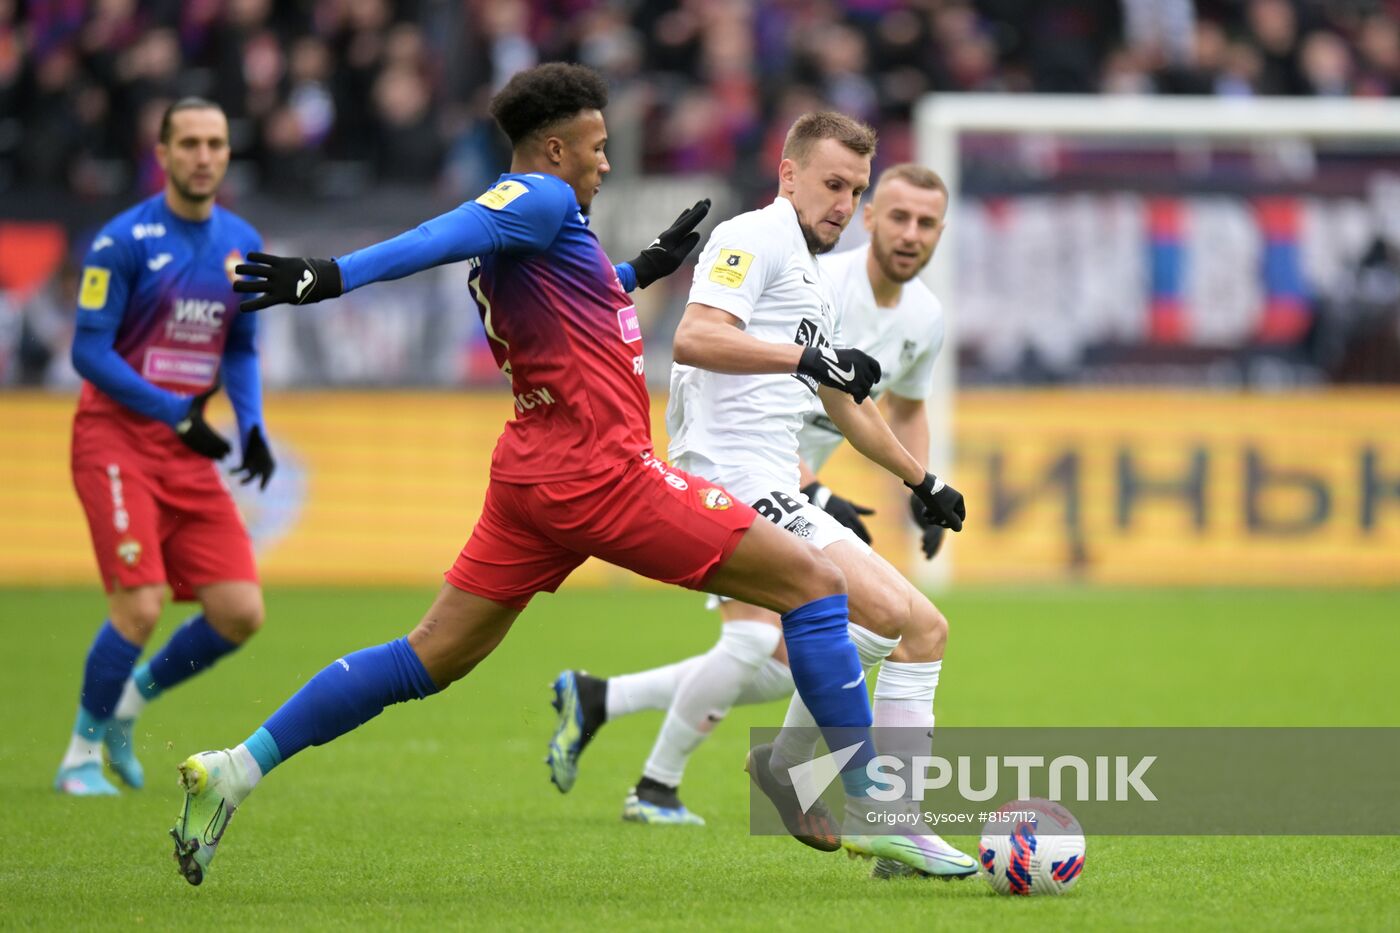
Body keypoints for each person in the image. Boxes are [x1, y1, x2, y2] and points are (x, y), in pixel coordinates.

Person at [169, 63, 945, 887]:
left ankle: (237, 766)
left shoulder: (544, 233)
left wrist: (640, 270)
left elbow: (572, 307)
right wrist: (329, 275)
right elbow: (442, 232)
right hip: (601, 471)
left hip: (532, 474)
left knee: (427, 656)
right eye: (597, 147)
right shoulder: (536, 198)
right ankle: (879, 808)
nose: (605, 163)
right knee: (815, 584)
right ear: (552, 148)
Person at [549, 117, 975, 879]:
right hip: (729, 480)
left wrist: (922, 480)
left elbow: (844, 403)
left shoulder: (813, 275)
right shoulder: (756, 235)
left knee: (920, 628)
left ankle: (801, 773)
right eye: (834, 185)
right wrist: (808, 354)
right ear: (788, 174)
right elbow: (695, 338)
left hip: (774, 479)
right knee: (853, 619)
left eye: (855, 190)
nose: (845, 204)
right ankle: (877, 811)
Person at [55, 97, 275, 798]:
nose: (204, 155)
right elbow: (89, 353)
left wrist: (252, 425)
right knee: (141, 604)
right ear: (164, 152)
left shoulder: (242, 243)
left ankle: (128, 706)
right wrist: (177, 414)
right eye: (190, 143)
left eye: (216, 142)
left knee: (240, 611)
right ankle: (78, 756)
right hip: (115, 440)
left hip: (185, 451)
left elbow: (239, 347)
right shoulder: (121, 241)